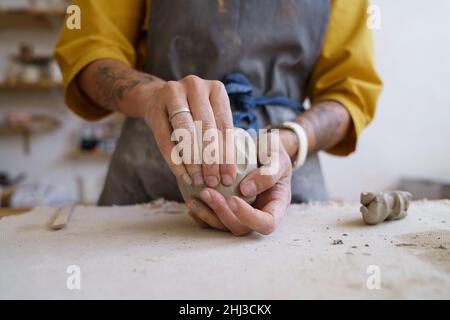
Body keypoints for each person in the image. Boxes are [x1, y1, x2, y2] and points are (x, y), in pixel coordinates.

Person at [55, 0, 382, 235]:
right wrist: (153, 96)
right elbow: (88, 51)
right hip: (151, 170)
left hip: (286, 172)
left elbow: (350, 92)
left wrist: (291, 139)